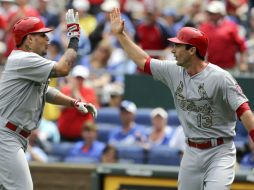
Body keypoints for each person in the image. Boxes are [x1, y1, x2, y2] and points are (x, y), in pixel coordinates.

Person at [109, 8, 254, 190]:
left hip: (220, 150)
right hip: (191, 150)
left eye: (178, 45)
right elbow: (143, 61)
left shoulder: (220, 77)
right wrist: (121, 35)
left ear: (192, 50)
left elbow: (244, 110)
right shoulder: (174, 71)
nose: (173, 50)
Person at [0, 9, 97, 190]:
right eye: (42, 35)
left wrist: (73, 102)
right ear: (29, 39)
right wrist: (74, 37)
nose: (48, 40)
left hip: (12, 134)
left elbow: (45, 92)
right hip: (6, 135)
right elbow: (63, 68)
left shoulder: (28, 62)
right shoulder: (24, 59)